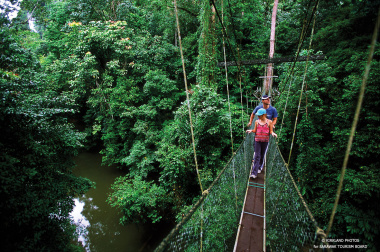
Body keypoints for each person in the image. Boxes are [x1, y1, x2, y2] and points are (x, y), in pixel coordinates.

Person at [246, 108, 277, 179]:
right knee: (257, 156)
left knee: (262, 155)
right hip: (257, 141)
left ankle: (260, 167)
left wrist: (273, 133)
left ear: (264, 115)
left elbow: (271, 131)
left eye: (259, 115)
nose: (258, 116)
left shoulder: (269, 122)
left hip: (265, 141)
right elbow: (255, 130)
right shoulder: (257, 121)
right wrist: (251, 130)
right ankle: (254, 173)